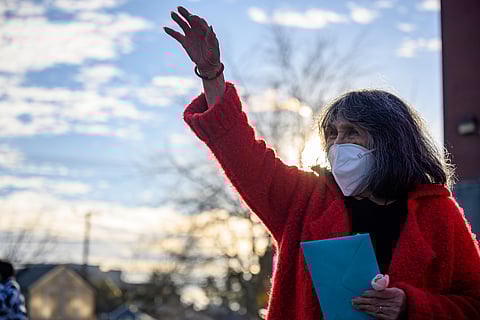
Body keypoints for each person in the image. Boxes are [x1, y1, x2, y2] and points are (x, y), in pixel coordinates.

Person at [164, 6, 480, 320]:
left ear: (390, 141)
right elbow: (239, 150)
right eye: (331, 134)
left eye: (351, 132)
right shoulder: (303, 198)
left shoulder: (440, 213)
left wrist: (411, 306)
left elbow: (473, 304)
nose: (337, 143)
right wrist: (211, 74)